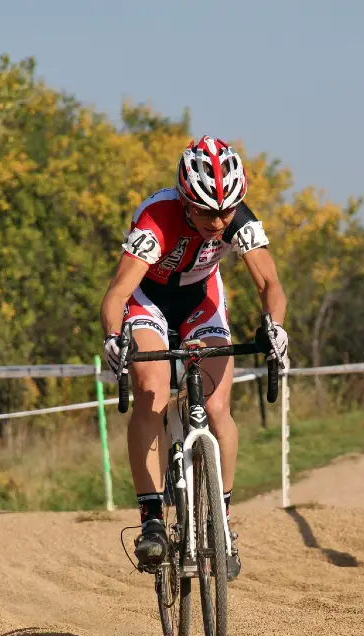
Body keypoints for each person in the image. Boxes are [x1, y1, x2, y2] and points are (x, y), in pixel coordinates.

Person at [100, 135, 288, 578]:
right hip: (149, 301)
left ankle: (221, 520)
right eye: (206, 210)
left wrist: (275, 327)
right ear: (185, 200)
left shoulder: (238, 219)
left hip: (202, 299)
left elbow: (269, 285)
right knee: (152, 393)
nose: (217, 221)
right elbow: (117, 294)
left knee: (219, 407)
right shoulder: (156, 220)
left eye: (226, 210)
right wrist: (113, 336)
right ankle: (151, 520)